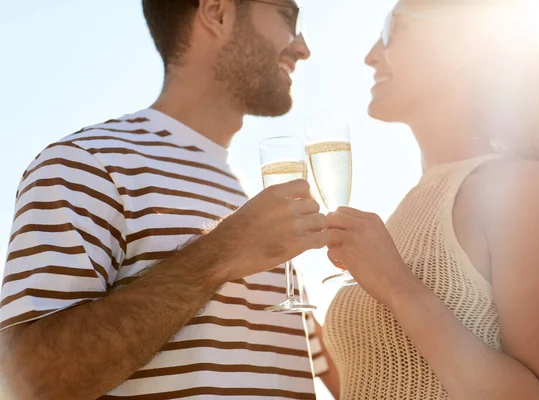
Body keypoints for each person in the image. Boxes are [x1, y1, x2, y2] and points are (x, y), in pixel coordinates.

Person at [0, 0, 334, 399]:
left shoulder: (245, 190)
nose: (303, 47)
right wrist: (220, 252)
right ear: (217, 12)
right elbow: (26, 383)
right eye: (288, 16)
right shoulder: (89, 163)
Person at [320, 1, 539, 399]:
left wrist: (398, 286)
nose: (370, 54)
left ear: (463, 44)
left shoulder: (520, 188)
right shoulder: (410, 206)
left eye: (391, 30)